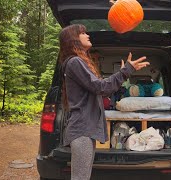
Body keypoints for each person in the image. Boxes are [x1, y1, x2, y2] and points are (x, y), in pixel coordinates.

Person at [58, 24, 150, 180]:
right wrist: (125, 72)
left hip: (84, 130)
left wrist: (123, 74)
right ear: (73, 39)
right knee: (80, 177)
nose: (87, 35)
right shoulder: (74, 62)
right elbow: (101, 87)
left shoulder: (76, 62)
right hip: (81, 130)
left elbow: (103, 88)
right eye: (82, 33)